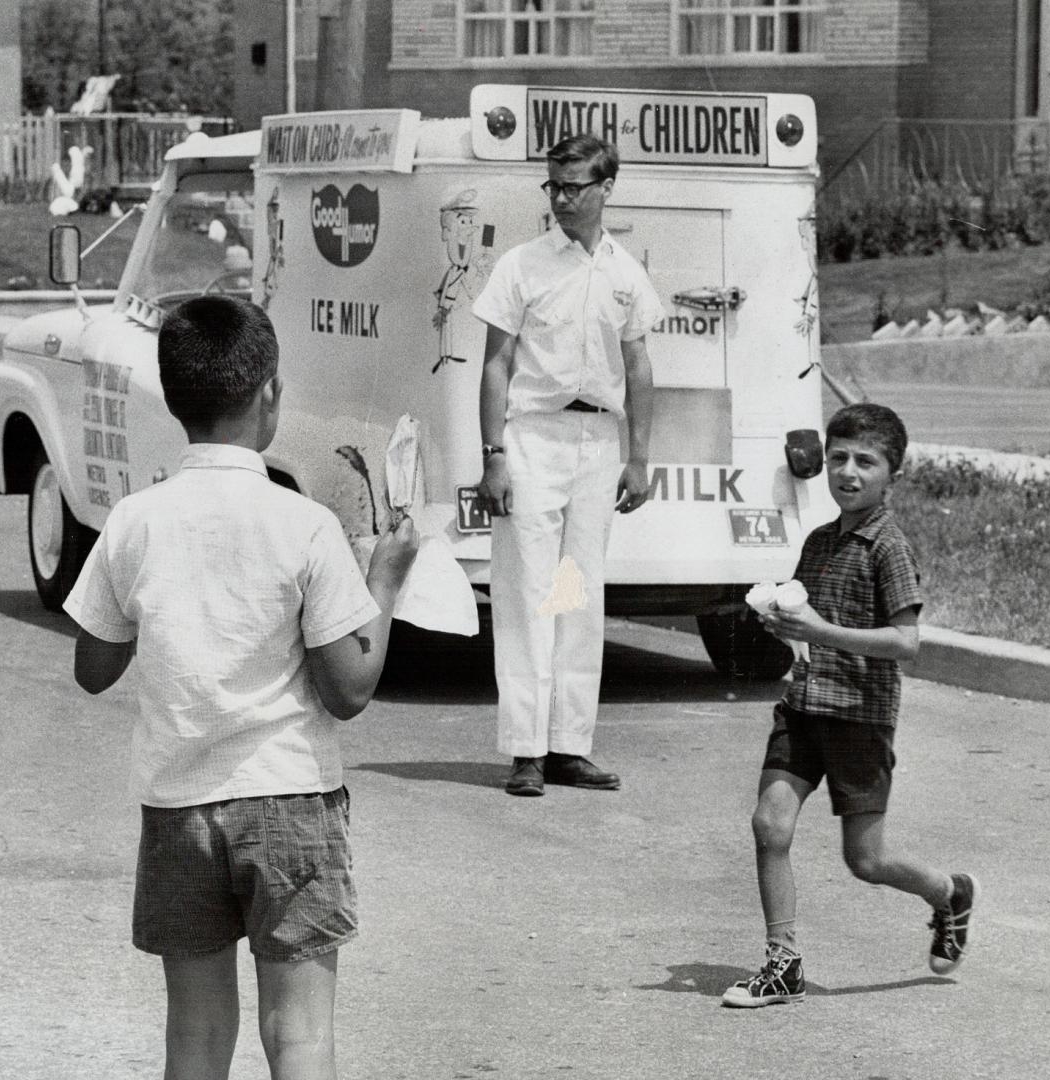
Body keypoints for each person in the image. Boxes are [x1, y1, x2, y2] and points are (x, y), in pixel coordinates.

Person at [62, 295, 418, 1079]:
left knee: (194, 1034)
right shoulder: (305, 523)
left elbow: (93, 668)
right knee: (299, 1036)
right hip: (289, 798)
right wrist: (384, 583)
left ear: (171, 397)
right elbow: (349, 688)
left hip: (178, 806)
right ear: (269, 396)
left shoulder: (134, 521)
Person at [722, 403, 978, 1009]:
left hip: (860, 716)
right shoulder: (819, 540)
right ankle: (783, 965)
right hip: (804, 706)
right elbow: (810, 622)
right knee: (769, 824)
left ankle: (949, 893)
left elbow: (906, 643)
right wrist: (782, 624)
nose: (849, 472)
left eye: (867, 461)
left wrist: (822, 628)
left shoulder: (888, 548)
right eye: (838, 458)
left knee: (866, 859)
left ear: (895, 473)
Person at [473, 133, 664, 798]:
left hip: (597, 442)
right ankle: (526, 750)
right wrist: (494, 454)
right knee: (527, 593)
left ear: (607, 188)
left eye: (575, 186)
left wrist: (640, 457)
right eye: (554, 187)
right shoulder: (522, 266)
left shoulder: (624, 273)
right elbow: (496, 363)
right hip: (530, 438)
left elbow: (638, 366)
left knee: (577, 595)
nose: (562, 199)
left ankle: (569, 747)